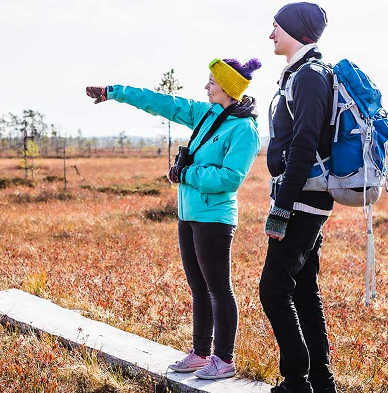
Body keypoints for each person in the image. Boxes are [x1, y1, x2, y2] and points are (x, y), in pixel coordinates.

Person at [86, 57, 261, 379]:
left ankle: (224, 360)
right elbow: (162, 103)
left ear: (227, 87)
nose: (205, 86)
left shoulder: (244, 129)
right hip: (189, 214)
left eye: (211, 81)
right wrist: (114, 92)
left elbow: (231, 178)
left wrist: (186, 173)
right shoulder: (208, 114)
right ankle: (200, 353)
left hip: (215, 217)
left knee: (219, 289)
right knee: (198, 287)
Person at [259, 3, 337, 393]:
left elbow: (305, 144)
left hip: (303, 201)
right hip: (306, 199)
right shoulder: (301, 74)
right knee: (304, 292)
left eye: (275, 27)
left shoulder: (309, 76)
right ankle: (321, 383)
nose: (270, 34)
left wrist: (281, 209)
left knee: (273, 290)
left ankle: (295, 382)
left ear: (293, 29)